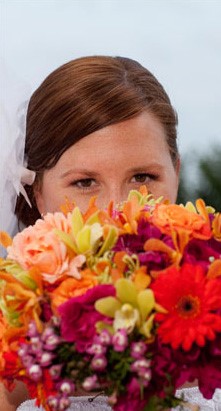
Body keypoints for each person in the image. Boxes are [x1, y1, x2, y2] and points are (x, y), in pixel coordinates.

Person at [1, 56, 220, 411]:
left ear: (176, 174)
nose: (118, 211)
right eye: (85, 183)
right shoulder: (13, 346)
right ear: (37, 192)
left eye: (143, 178)